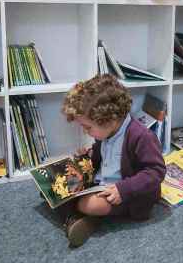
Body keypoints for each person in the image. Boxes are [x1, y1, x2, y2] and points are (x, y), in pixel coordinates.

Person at [58, 74, 166, 247]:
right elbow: (103, 159)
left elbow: (156, 172)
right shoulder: (106, 133)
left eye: (88, 127)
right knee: (57, 185)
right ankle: (82, 218)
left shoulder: (141, 136)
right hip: (101, 184)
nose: (86, 132)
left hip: (127, 195)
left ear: (109, 119)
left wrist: (123, 190)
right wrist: (86, 158)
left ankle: (81, 217)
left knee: (89, 204)